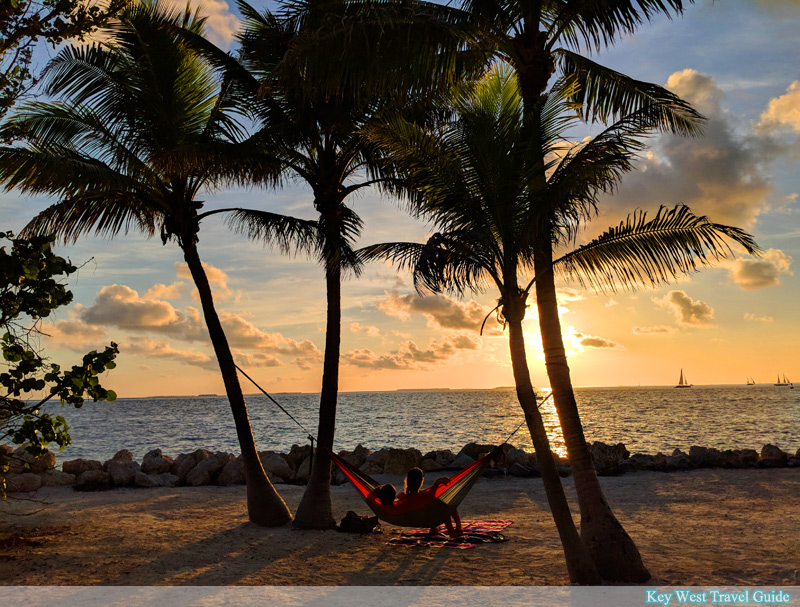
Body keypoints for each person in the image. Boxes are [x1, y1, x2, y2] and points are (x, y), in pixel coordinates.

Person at [396, 467, 463, 538]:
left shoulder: (402, 496)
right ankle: (454, 530)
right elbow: (432, 493)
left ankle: (434, 528)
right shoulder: (424, 495)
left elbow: (396, 502)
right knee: (447, 505)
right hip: (428, 520)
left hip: (416, 520)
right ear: (421, 481)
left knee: (431, 508)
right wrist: (437, 482)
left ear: (407, 481)